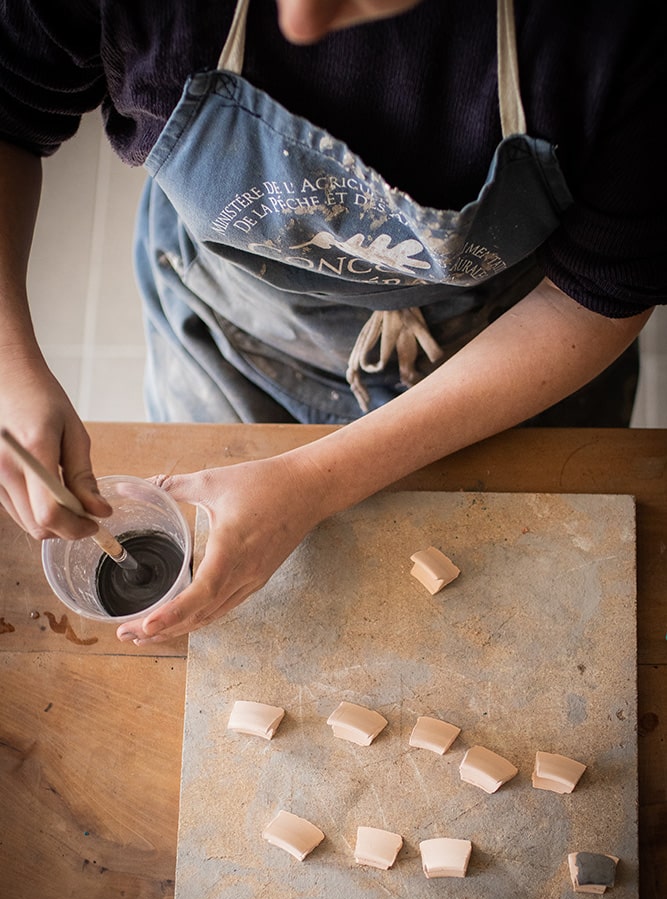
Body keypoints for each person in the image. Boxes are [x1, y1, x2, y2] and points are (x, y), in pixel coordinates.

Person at [0, 0, 664, 643]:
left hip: (507, 344)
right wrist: (9, 365)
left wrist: (312, 484)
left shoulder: (618, 29)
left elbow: (597, 293)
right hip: (235, 335)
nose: (298, 21)